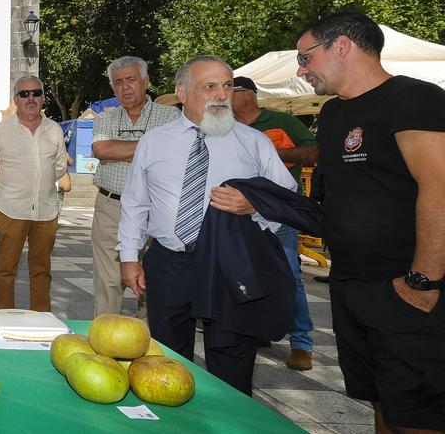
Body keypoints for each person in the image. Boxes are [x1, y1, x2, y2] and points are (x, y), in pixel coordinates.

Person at [296, 12, 445, 431]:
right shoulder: (330, 115)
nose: (301, 70)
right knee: (380, 402)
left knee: (419, 415)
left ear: (341, 45)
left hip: (406, 286)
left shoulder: (414, 98)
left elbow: (440, 190)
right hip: (350, 286)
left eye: (306, 58)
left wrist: (423, 283)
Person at [118, 55, 295, 395]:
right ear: (182, 92)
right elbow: (136, 203)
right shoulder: (154, 142)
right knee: (167, 359)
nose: (221, 94)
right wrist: (129, 257)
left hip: (231, 265)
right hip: (170, 263)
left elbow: (286, 200)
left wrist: (253, 205)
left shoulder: (254, 143)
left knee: (231, 361)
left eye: (227, 85)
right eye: (209, 86)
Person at [231, 75, 318, 371]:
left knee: (289, 274)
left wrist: (269, 152)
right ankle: (261, 329)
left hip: (278, 212)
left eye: (231, 88)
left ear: (249, 94)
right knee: (247, 273)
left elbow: (313, 152)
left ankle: (301, 342)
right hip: (239, 213)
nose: (224, 94)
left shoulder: (281, 121)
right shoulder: (223, 125)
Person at [89, 57, 179, 318]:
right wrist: (151, 147)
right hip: (111, 206)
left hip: (157, 208)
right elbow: (102, 149)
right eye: (118, 82)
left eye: (131, 80)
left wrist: (121, 150)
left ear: (146, 81)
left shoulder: (171, 116)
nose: (125, 87)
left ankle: (150, 342)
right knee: (107, 282)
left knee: (151, 279)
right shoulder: (106, 118)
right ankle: (105, 339)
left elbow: (173, 153)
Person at [0, 76, 67, 312]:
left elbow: (59, 166)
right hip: (10, 211)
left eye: (36, 93)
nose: (31, 99)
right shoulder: (0, 132)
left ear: (43, 98)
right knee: (6, 270)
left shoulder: (54, 130)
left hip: (46, 211)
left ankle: (42, 318)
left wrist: (44, 182)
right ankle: (4, 316)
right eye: (24, 94)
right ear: (16, 99)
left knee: (42, 270)